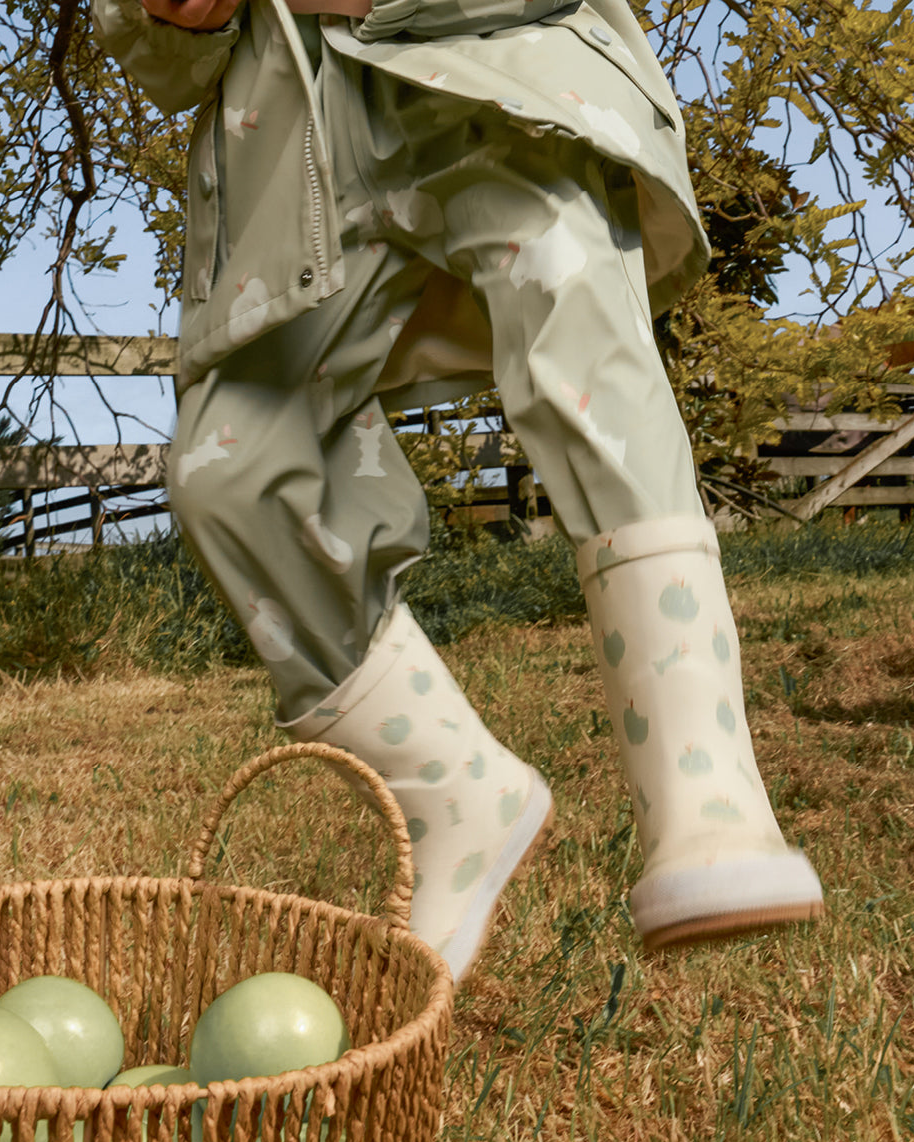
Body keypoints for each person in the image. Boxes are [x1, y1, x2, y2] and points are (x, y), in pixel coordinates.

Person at [92, 0, 824, 984]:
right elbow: (166, 68)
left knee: (575, 330)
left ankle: (708, 796)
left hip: (496, 69)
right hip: (296, 149)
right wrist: (164, 16)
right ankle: (453, 791)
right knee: (230, 474)